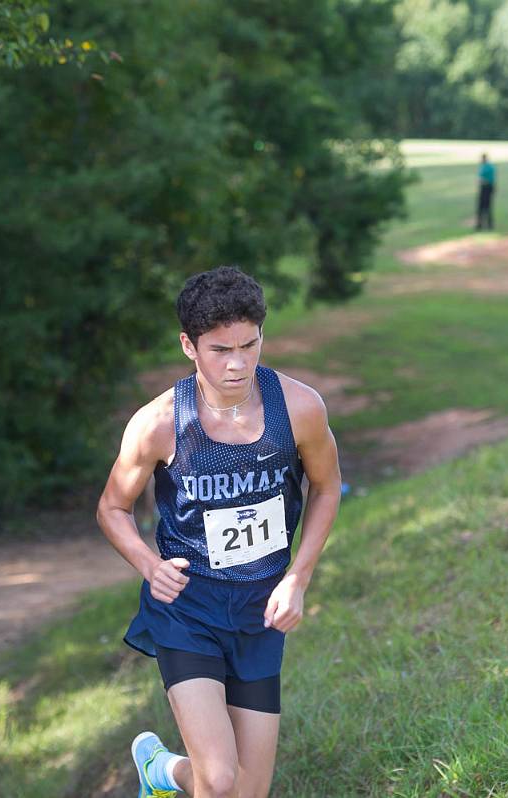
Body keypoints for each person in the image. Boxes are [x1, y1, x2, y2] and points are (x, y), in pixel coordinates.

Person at [96, 266, 342, 798]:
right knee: (220, 780)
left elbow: (326, 488)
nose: (237, 363)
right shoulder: (160, 423)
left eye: (248, 346)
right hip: (189, 607)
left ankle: (161, 773)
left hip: (260, 610)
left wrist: (298, 577)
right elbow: (113, 507)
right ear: (189, 345)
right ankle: (171, 772)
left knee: (248, 792)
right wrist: (148, 564)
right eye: (219, 349)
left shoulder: (299, 408)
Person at [475, 153, 496, 231]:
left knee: (483, 207)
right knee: (487, 207)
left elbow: (482, 179)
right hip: (489, 188)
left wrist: (480, 181)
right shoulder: (489, 166)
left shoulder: (485, 167)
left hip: (486, 188)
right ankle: (488, 224)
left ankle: (481, 225)